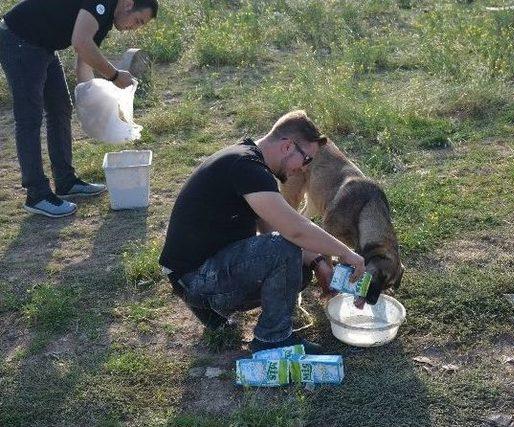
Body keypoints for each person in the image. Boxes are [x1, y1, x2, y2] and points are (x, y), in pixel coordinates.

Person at [159, 110, 365, 354]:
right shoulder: (246, 167)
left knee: (297, 266)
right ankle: (272, 340)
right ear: (288, 146)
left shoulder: (246, 161)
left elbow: (272, 231)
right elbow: (295, 231)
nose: (303, 169)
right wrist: (348, 255)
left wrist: (319, 262)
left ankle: (212, 311)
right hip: (195, 279)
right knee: (286, 250)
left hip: (193, 273)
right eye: (307, 159)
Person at [0, 0, 158, 218]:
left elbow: (83, 61)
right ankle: (36, 195)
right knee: (29, 118)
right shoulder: (102, 3)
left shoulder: (106, 21)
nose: (135, 27)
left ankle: (65, 181)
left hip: (44, 46)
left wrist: (93, 104)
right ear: (129, 4)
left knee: (60, 107)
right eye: (138, 20)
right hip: (20, 38)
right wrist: (113, 75)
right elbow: (81, 43)